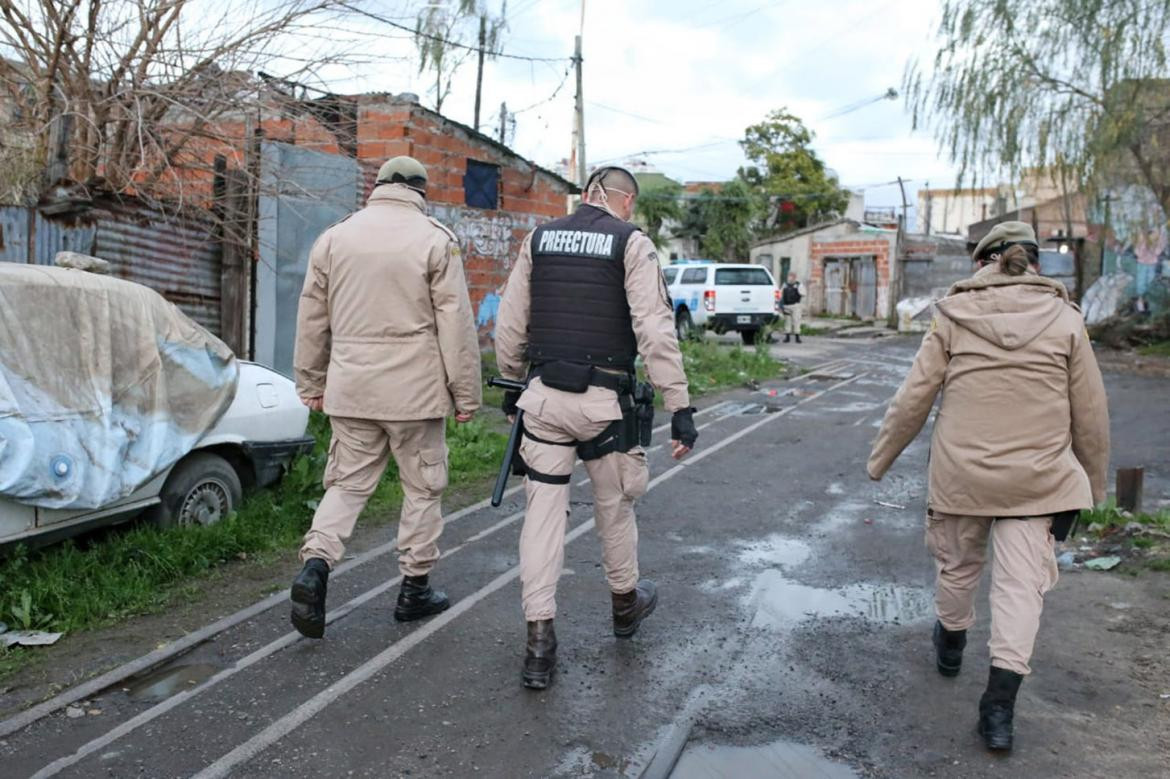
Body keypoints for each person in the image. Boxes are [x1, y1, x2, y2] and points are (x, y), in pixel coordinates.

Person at [867, 220, 1109, 752]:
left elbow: (914, 398)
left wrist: (880, 460)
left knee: (957, 567)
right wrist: (1091, 486)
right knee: (1021, 589)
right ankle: (998, 712)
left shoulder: (952, 317)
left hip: (962, 476)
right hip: (1040, 482)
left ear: (983, 263)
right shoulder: (1066, 320)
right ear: (1035, 263)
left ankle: (951, 646)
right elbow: (1090, 413)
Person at [493, 165, 698, 690]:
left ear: (586, 196)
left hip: (543, 400)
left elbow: (512, 321)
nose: (630, 211)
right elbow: (653, 327)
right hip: (604, 404)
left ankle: (540, 642)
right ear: (619, 199)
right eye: (631, 203)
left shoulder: (539, 238)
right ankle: (625, 606)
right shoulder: (631, 242)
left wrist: (514, 383)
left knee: (541, 516)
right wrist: (679, 404)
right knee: (615, 505)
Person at [289, 156, 482, 639]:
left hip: (351, 389)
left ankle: (316, 564)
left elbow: (312, 317)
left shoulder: (334, 238)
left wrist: (311, 382)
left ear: (377, 186)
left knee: (347, 485)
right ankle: (414, 590)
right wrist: (466, 395)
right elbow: (455, 326)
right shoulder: (436, 239)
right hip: (415, 394)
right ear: (421, 190)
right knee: (422, 489)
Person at [780, 272, 803, 343]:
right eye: (789, 276)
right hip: (786, 305)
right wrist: (780, 305)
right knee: (787, 321)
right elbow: (780, 293)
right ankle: (787, 337)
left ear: (795, 277)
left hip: (795, 305)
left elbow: (803, 293)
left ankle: (797, 337)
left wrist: (798, 291)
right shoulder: (784, 285)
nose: (790, 278)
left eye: (792, 277)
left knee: (796, 321)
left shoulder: (799, 285)